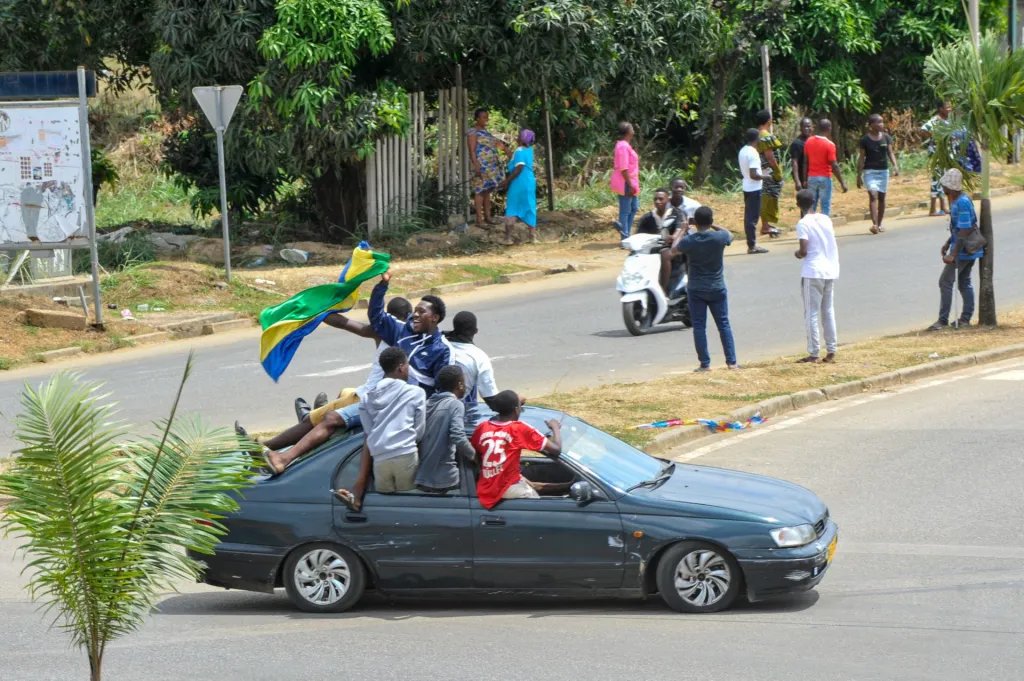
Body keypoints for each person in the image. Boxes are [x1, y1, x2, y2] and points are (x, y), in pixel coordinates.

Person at [236, 296, 413, 458]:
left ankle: (264, 446)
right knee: (345, 392)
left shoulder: (384, 331)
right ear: (409, 315)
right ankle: (317, 416)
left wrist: (319, 309)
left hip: (368, 397)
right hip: (369, 394)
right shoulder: (412, 337)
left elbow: (345, 323)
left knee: (314, 420)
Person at [333, 347, 426, 509]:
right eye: (408, 366)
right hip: (405, 454)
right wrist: (410, 440)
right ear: (401, 367)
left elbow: (369, 432)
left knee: (387, 506)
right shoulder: (415, 393)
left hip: (380, 459)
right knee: (408, 505)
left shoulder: (367, 397)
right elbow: (419, 429)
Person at [670, 206, 738, 371]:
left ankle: (705, 364)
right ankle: (732, 362)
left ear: (696, 222)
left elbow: (673, 249)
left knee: (699, 326)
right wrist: (714, 225)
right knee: (723, 324)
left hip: (696, 288)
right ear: (711, 221)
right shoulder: (719, 237)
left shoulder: (690, 241)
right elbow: (731, 234)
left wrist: (683, 229)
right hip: (717, 287)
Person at [471, 390, 563, 509]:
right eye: (520, 406)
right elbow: (556, 449)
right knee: (539, 507)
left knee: (530, 483)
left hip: (487, 485)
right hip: (504, 487)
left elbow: (475, 453)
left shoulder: (482, 427)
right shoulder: (518, 429)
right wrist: (555, 427)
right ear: (516, 410)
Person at [928, 168, 982, 331]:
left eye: (945, 186)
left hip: (964, 251)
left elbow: (964, 231)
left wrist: (953, 253)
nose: (943, 189)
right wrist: (947, 242)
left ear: (951, 187)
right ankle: (965, 318)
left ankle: (943, 320)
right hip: (962, 248)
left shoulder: (962, 202)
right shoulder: (957, 200)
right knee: (964, 282)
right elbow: (958, 229)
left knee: (945, 281)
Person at [793, 189, 840, 363]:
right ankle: (831, 349)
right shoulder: (826, 219)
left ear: (798, 204)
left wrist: (797, 253)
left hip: (813, 271)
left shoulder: (803, 223)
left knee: (811, 312)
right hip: (830, 269)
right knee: (828, 310)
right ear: (814, 202)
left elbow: (804, 250)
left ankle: (813, 352)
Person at [415, 365, 476, 495]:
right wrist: (474, 456)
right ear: (460, 384)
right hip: (446, 478)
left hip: (422, 476)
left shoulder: (427, 403)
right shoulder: (455, 404)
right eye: (464, 382)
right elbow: (458, 436)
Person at [444, 311, 499, 409]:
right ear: (476, 331)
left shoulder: (441, 343)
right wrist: (514, 401)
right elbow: (491, 398)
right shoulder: (479, 357)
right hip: (456, 410)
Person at [857, 114, 900, 234]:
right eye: (879, 122)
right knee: (873, 195)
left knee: (882, 197)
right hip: (870, 171)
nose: (882, 124)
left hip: (883, 171)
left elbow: (890, 153)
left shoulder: (886, 137)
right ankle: (874, 224)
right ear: (871, 125)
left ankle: (880, 224)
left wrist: (895, 166)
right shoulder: (864, 140)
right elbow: (861, 158)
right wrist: (858, 175)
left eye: (882, 122)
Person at [634, 188, 681, 294]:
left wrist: (673, 237)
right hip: (652, 249)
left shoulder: (676, 213)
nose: (657, 201)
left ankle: (663, 290)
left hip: (673, 248)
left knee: (665, 254)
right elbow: (638, 234)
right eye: (655, 199)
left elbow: (680, 229)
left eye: (661, 199)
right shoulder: (648, 217)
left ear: (667, 200)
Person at [467, 108, 508, 228]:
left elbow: (494, 146)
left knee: (487, 191)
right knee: (479, 191)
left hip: (490, 167)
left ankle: (488, 217)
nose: (486, 119)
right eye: (484, 117)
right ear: (477, 118)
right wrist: (476, 165)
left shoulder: (485, 132)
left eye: (487, 117)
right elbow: (472, 150)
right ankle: (479, 220)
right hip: (481, 166)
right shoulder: (472, 132)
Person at [802, 119, 848, 217]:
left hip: (812, 177)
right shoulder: (830, 145)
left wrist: (805, 179)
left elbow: (805, 162)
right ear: (829, 128)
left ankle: (810, 226)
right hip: (825, 178)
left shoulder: (808, 141)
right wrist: (842, 182)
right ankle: (824, 226)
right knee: (825, 205)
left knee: (811, 204)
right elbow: (834, 165)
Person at [503, 128, 538, 244]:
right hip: (529, 181)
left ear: (521, 139)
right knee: (530, 205)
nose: (516, 137)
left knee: (512, 206)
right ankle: (532, 236)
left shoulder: (519, 151)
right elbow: (515, 159)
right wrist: (504, 149)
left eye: (518, 136)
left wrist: (506, 181)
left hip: (519, 182)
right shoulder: (529, 150)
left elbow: (518, 168)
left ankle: (508, 238)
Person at [738, 128, 769, 254]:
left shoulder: (743, 151)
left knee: (749, 216)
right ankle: (752, 245)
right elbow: (753, 174)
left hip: (747, 186)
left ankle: (752, 243)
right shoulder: (753, 153)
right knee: (752, 217)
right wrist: (765, 176)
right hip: (754, 187)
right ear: (757, 138)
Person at [920, 101, 952, 217]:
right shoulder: (936, 120)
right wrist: (933, 137)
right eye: (947, 107)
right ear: (940, 109)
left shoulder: (948, 121)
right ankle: (933, 209)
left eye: (950, 106)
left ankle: (944, 207)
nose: (949, 109)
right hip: (937, 154)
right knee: (937, 180)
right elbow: (923, 129)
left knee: (945, 179)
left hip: (946, 154)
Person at [755, 110, 783, 239]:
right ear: (768, 121)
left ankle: (766, 225)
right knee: (769, 196)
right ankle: (766, 226)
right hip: (769, 171)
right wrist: (777, 171)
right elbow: (770, 157)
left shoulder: (756, 135)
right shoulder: (765, 136)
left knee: (766, 196)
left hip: (761, 171)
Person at [611, 122, 641, 240]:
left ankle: (626, 233)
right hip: (625, 182)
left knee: (634, 207)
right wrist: (630, 184)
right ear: (628, 131)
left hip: (631, 182)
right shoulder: (623, 146)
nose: (634, 129)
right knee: (625, 210)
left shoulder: (625, 145)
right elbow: (624, 169)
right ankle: (625, 236)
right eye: (632, 127)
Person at [789, 117, 813, 197]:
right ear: (801, 128)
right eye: (804, 126)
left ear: (812, 127)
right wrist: (797, 181)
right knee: (805, 201)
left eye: (809, 126)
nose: (807, 128)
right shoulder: (797, 143)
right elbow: (794, 162)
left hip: (813, 176)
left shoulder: (814, 141)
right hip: (802, 177)